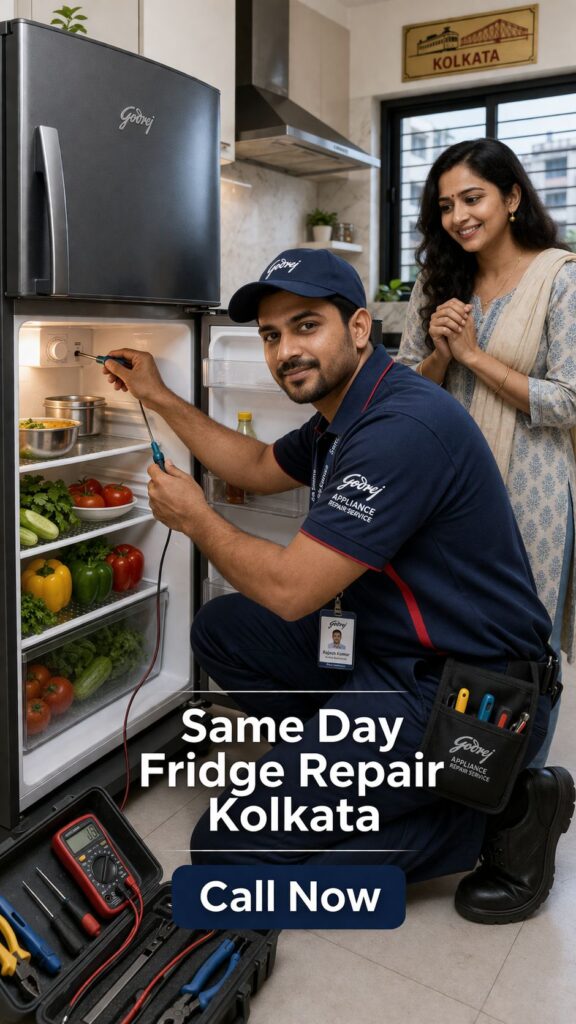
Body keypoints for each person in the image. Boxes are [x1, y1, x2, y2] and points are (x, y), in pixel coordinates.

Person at [102, 248, 573, 923]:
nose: (285, 350)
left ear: (357, 329)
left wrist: (197, 519)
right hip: (394, 658)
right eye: (270, 335)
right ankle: (364, 771)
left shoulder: (399, 429)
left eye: (304, 325)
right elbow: (260, 464)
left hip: (470, 698)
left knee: (226, 852)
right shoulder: (347, 413)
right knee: (222, 631)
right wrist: (157, 395)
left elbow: (294, 589)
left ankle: (491, 816)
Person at [396, 138, 576, 767]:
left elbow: (570, 401)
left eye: (472, 198)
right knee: (452, 631)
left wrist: (473, 355)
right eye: (445, 205)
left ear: (512, 197)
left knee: (525, 646)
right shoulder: (439, 279)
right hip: (445, 485)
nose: (458, 217)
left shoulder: (561, 278)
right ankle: (456, 787)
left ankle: (519, 806)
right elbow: (404, 391)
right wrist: (443, 355)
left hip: (534, 486)